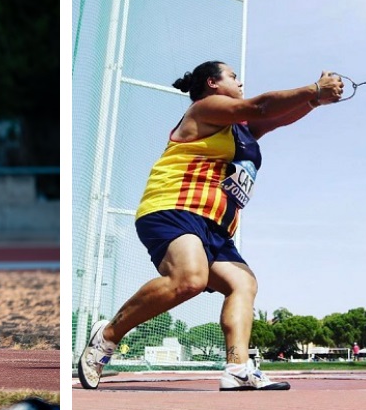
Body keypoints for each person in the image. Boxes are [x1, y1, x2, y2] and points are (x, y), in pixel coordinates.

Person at [78, 61, 343, 391]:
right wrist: (313, 90)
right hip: (173, 207)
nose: (240, 81)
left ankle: (238, 367)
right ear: (212, 84)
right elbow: (261, 107)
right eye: (232, 77)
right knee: (189, 279)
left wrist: (314, 100)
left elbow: (273, 118)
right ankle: (108, 335)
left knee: (242, 285)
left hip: (215, 226)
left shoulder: (239, 130)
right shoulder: (205, 108)